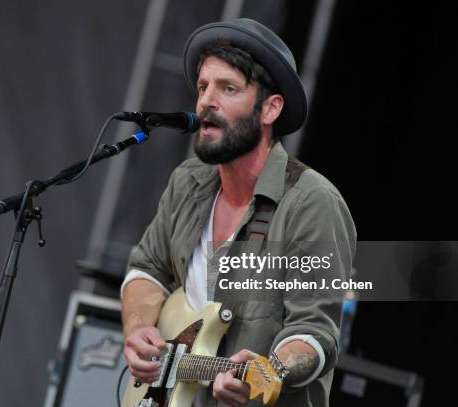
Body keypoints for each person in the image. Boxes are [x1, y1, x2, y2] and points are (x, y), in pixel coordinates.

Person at [120, 18, 356, 407]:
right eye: (202, 87)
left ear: (270, 109)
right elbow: (146, 269)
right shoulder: (188, 182)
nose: (205, 102)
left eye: (228, 88)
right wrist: (139, 328)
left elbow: (314, 330)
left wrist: (271, 371)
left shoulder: (312, 202)